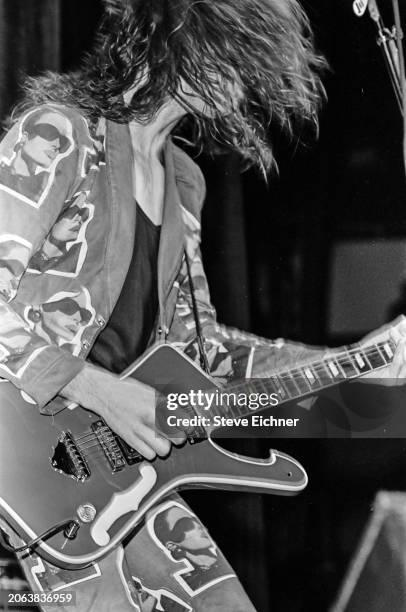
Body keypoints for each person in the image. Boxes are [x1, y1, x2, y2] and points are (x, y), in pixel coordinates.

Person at [1, 0, 406, 610]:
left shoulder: (184, 180)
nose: (247, 85)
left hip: (123, 472)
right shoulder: (58, 133)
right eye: (240, 59)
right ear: (180, 35)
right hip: (24, 458)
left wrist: (359, 363)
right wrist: (97, 388)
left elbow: (205, 359)